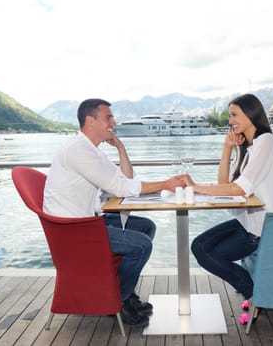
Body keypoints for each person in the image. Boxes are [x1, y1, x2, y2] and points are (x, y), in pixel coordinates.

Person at [43, 98, 185, 327]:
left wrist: (121, 148)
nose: (113, 122)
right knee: (141, 245)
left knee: (146, 227)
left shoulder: (92, 151)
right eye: (108, 117)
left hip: (87, 220)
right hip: (73, 231)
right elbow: (120, 188)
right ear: (90, 121)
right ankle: (118, 300)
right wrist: (165, 184)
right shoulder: (77, 150)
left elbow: (125, 180)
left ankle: (122, 294)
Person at [180, 93, 273, 309]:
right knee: (199, 246)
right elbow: (224, 184)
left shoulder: (266, 141)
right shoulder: (249, 147)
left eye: (234, 115)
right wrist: (227, 147)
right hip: (248, 222)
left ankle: (254, 294)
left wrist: (194, 187)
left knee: (205, 253)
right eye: (230, 116)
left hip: (265, 226)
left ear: (251, 113)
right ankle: (252, 290)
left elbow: (238, 189)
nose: (230, 121)